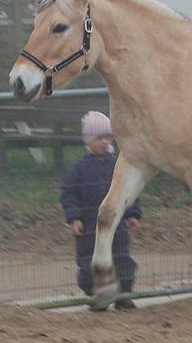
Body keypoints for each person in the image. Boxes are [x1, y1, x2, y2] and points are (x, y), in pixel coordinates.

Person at [59, 111, 141, 311]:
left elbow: (129, 190)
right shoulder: (78, 169)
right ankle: (97, 297)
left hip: (117, 227)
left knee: (122, 260)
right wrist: (74, 218)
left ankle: (123, 295)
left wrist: (132, 213)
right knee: (89, 265)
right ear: (88, 141)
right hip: (88, 230)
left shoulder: (118, 165)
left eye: (107, 137)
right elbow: (68, 195)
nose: (104, 142)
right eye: (99, 138)